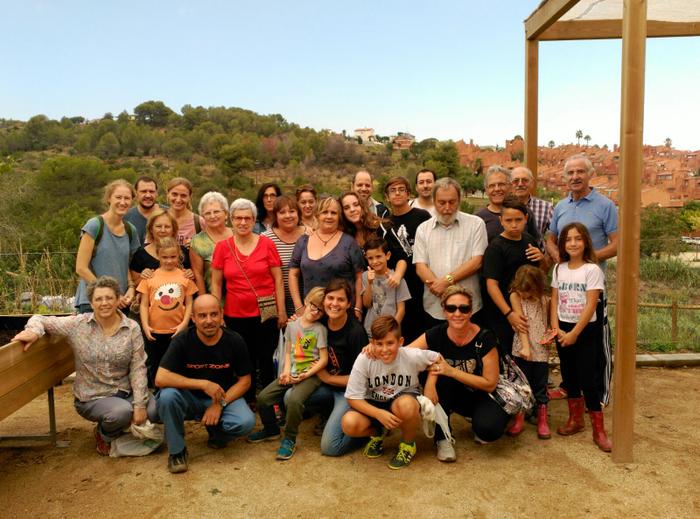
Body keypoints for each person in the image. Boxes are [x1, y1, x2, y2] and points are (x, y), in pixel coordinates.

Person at [13, 276, 157, 456]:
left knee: (152, 409)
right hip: (93, 396)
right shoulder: (78, 325)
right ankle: (104, 434)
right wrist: (33, 332)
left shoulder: (131, 327)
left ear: (118, 299)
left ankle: (122, 428)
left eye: (109, 298)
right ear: (91, 302)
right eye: (98, 299)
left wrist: (140, 405)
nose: (104, 303)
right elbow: (39, 318)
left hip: (125, 390)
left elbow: (138, 367)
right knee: (122, 412)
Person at [546, 154, 618, 406]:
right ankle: (571, 387)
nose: (575, 177)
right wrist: (562, 260)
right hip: (567, 287)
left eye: (580, 172)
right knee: (568, 341)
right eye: (570, 173)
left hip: (591, 285)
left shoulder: (605, 205)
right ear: (565, 177)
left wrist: (584, 258)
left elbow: (617, 244)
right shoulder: (561, 206)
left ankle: (599, 394)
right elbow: (550, 239)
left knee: (596, 342)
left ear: (590, 175)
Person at [156, 294, 256, 473]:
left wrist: (219, 404)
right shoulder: (182, 340)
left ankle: (217, 433)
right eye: (202, 316)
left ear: (221, 314)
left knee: (246, 422)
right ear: (193, 318)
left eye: (213, 314)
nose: (209, 321)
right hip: (189, 398)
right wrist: (203, 384)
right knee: (167, 397)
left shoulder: (234, 340)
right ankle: (177, 452)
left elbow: (245, 381)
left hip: (222, 397)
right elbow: (160, 378)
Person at [408, 286, 509, 462]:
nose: (457, 313)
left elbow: (490, 383)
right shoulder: (436, 334)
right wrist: (376, 349)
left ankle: (478, 419)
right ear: (444, 311)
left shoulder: (485, 338)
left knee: (489, 430)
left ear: (471, 311)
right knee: (439, 378)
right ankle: (442, 438)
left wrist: (452, 371)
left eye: (464, 308)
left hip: (482, 394)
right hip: (449, 392)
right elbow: (405, 354)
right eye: (451, 308)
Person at [210, 198, 286, 402]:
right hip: (235, 314)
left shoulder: (267, 243)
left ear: (254, 221)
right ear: (231, 220)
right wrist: (217, 313)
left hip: (266, 312)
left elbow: (278, 279)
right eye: (238, 218)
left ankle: (271, 401)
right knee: (243, 359)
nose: (242, 223)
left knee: (267, 358)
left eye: (247, 218)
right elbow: (216, 284)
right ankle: (248, 399)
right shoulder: (222, 248)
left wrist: (282, 311)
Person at [342, 316, 439, 469]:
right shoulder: (365, 358)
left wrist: (430, 385)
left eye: (390, 343)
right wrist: (378, 414)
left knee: (406, 405)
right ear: (372, 343)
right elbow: (353, 398)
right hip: (375, 402)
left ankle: (407, 445)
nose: (385, 349)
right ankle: (378, 432)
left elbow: (438, 358)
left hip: (402, 399)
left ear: (400, 342)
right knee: (349, 423)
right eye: (379, 344)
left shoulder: (410, 355)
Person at [550, 223, 611, 452]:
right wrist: (557, 329)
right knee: (569, 375)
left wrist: (575, 333)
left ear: (585, 242)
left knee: (588, 378)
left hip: (584, 330)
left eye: (577, 239)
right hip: (563, 329)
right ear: (562, 244)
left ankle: (599, 430)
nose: (573, 243)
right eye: (568, 239)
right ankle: (575, 420)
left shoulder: (592, 270)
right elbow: (554, 300)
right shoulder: (559, 269)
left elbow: (591, 304)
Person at [248, 287, 328, 460]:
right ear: (306, 301)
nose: (315, 311)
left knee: (294, 399)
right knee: (263, 398)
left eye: (321, 310)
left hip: (311, 375)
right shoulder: (292, 326)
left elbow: (323, 359)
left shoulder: (320, 330)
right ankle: (271, 429)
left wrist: (305, 375)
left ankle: (289, 438)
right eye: (314, 306)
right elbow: (288, 351)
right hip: (291, 371)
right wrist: (285, 372)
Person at [303, 279, 368, 456]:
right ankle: (328, 414)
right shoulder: (321, 322)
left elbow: (363, 380)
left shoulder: (355, 332)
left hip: (349, 392)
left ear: (348, 304)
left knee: (330, 447)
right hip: (326, 387)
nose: (334, 304)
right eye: (330, 298)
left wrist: (329, 378)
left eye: (340, 300)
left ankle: (370, 432)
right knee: (290, 397)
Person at [414, 177, 487, 328]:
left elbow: (477, 261)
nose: (447, 207)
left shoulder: (476, 224)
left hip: (468, 308)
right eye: (442, 202)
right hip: (435, 308)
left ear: (459, 200)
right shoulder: (423, 229)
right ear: (434, 201)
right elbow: (420, 267)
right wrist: (440, 289)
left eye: (452, 202)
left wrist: (446, 282)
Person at [483, 196, 546, 356]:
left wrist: (542, 258)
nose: (514, 224)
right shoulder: (496, 247)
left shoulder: (529, 240)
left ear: (526, 218)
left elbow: (540, 274)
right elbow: (491, 285)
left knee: (530, 352)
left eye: (518, 219)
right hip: (502, 311)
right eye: (508, 220)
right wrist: (509, 314)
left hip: (529, 309)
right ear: (501, 220)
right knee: (508, 355)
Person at [289, 196, 365, 320]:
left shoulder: (349, 242)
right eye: (325, 212)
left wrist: (358, 308)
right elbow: (293, 274)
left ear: (339, 216)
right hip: (311, 313)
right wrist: (299, 307)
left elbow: (359, 277)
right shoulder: (303, 241)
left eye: (333, 213)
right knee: (309, 340)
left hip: (341, 312)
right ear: (317, 215)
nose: (329, 216)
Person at [137, 237, 197, 387]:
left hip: (178, 331)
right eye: (165, 257)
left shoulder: (185, 276)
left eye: (173, 257)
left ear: (179, 256)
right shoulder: (150, 277)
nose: (169, 261)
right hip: (154, 332)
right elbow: (144, 305)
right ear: (158, 256)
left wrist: (184, 324)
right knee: (155, 365)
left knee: (178, 365)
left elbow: (189, 303)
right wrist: (145, 326)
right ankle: (158, 396)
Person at [74, 179, 140, 314]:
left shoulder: (130, 230)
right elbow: (81, 268)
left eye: (127, 198)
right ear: (109, 198)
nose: (123, 202)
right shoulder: (94, 225)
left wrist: (131, 288)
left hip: (120, 303)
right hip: (93, 302)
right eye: (118, 197)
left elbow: (125, 264)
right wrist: (108, 294)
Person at [380, 175, 431, 343]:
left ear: (408, 194)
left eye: (401, 190)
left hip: (422, 281)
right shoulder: (385, 225)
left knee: (424, 329)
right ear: (387, 197)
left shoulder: (422, 216)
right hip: (399, 285)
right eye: (392, 191)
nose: (397, 194)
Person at [506, 265, 553, 439]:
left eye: (530, 292)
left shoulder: (544, 299)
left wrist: (550, 332)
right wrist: (525, 347)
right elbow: (522, 326)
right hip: (522, 346)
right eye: (523, 291)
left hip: (541, 347)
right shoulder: (515, 296)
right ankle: (520, 418)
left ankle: (542, 418)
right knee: (521, 383)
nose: (526, 295)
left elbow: (548, 321)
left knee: (540, 383)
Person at [262, 195, 307, 316]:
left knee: (306, 335)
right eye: (282, 212)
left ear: (298, 213)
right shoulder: (265, 239)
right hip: (275, 306)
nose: (288, 216)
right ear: (275, 216)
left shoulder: (310, 234)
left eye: (292, 211)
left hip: (307, 305)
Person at [361, 237, 411, 339]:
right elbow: (366, 304)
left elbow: (401, 310)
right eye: (370, 258)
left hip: (391, 332)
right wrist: (370, 284)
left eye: (378, 256)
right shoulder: (366, 276)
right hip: (371, 331)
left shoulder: (397, 278)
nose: (375, 261)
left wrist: (392, 330)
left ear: (387, 256)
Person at [476, 166, 540, 243]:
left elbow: (536, 241)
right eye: (492, 186)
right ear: (486, 190)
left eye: (501, 184)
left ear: (510, 187)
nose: (497, 189)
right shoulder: (478, 219)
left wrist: (539, 253)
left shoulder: (524, 212)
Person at [130, 210, 192, 283]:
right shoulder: (140, 255)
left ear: (173, 230)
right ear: (151, 229)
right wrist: (142, 277)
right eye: (158, 226)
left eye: (167, 227)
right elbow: (134, 284)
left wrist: (190, 274)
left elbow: (193, 280)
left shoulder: (184, 252)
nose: (163, 230)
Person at [190, 192, 233, 295]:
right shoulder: (197, 242)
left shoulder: (238, 235)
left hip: (242, 297)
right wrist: (205, 303)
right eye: (208, 213)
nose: (212, 216)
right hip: (214, 300)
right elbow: (198, 276)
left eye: (216, 211)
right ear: (203, 216)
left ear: (226, 214)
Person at [511, 166, 553, 249]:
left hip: (536, 258)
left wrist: (547, 254)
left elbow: (557, 234)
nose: (520, 184)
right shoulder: (503, 208)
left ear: (532, 183)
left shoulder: (546, 207)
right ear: (510, 184)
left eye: (525, 180)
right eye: (516, 181)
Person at [166, 177, 205, 248]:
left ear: (190, 197)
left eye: (183, 196)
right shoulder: (158, 219)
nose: (178, 200)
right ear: (168, 194)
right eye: (174, 194)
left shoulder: (199, 222)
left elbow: (210, 250)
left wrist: (197, 246)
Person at [124, 176, 163, 244]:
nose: (148, 195)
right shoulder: (126, 217)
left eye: (151, 191)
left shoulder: (168, 213)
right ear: (136, 193)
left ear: (156, 193)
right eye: (143, 191)